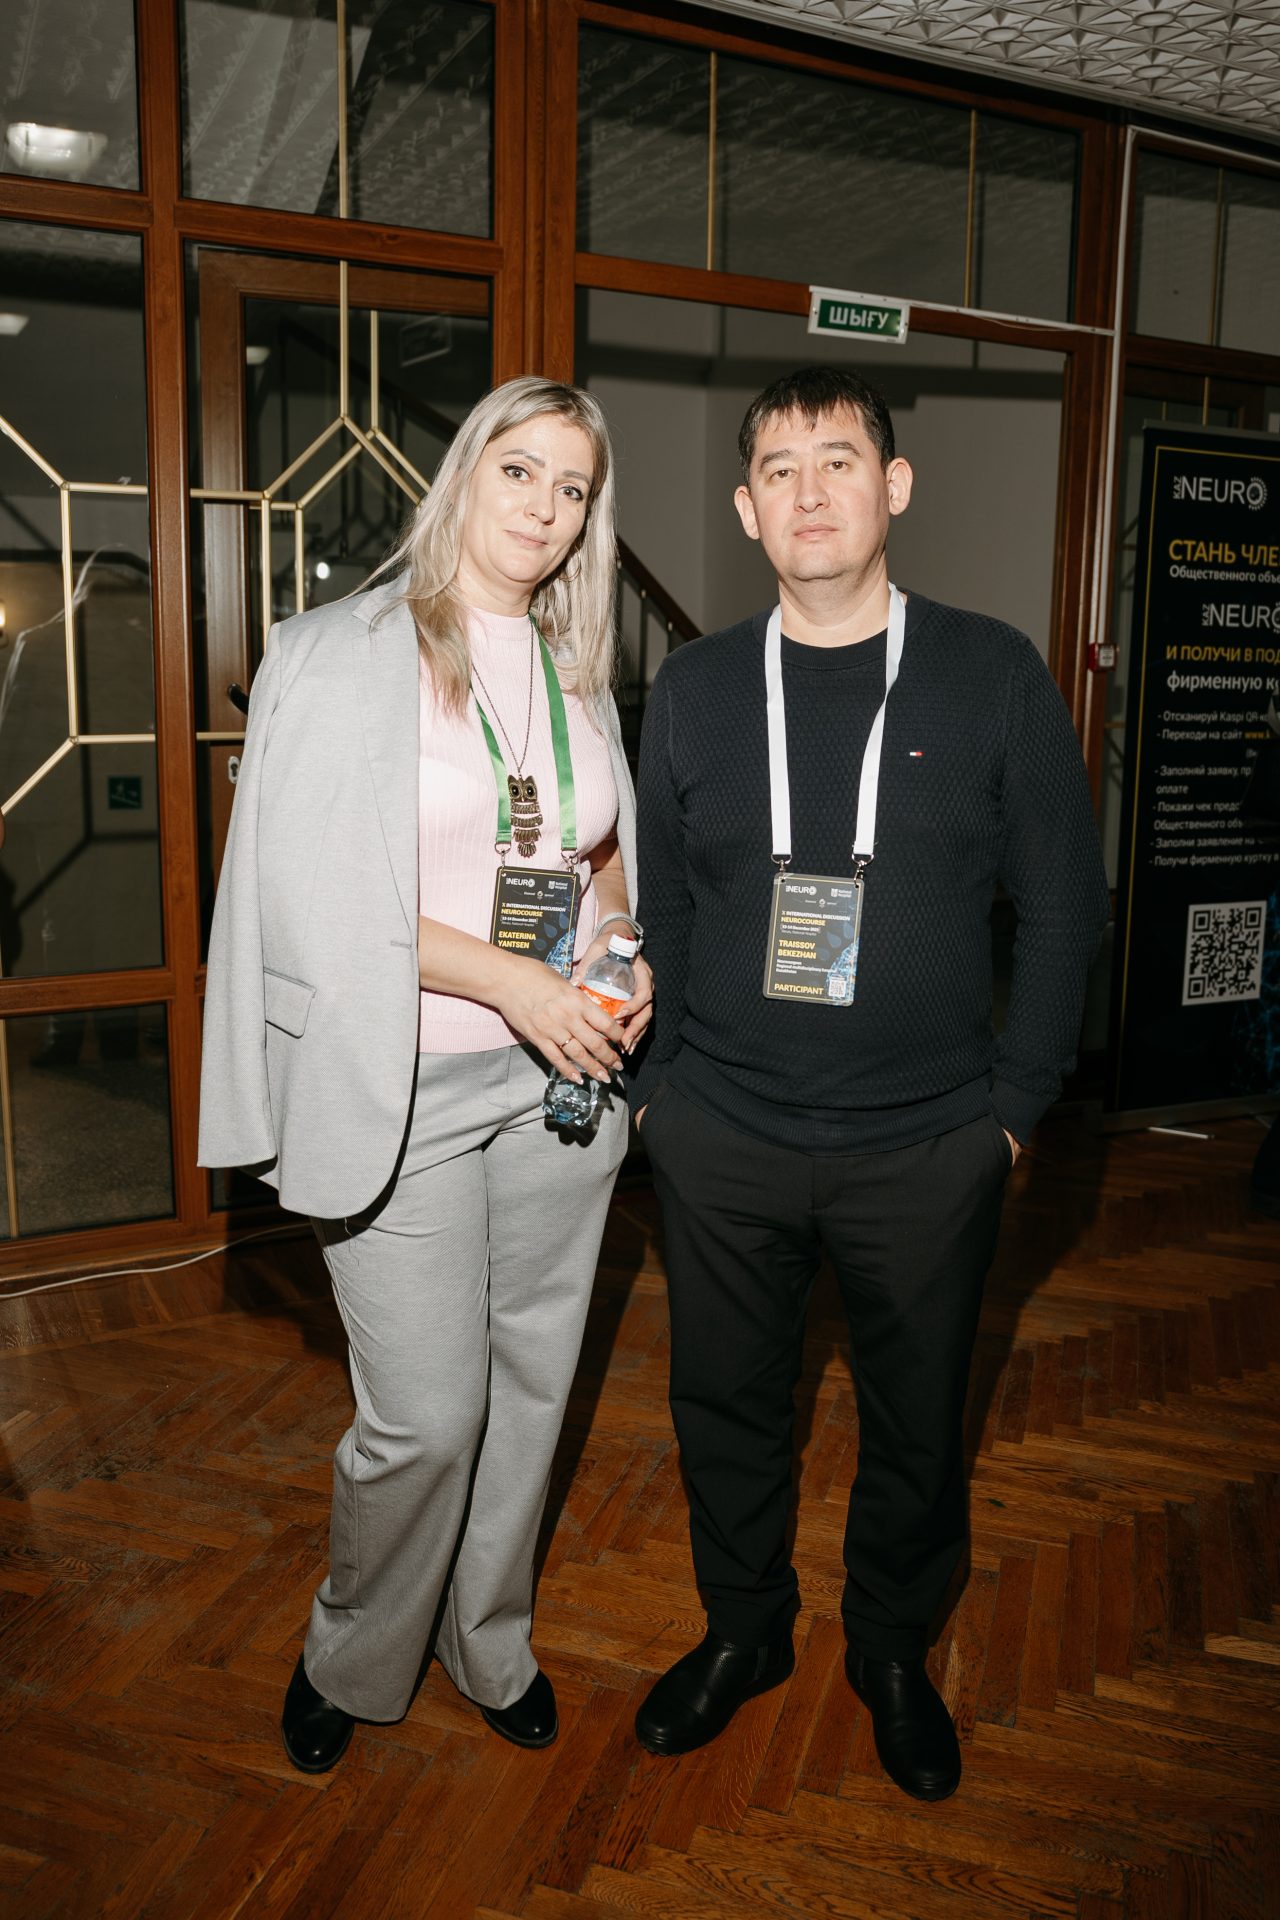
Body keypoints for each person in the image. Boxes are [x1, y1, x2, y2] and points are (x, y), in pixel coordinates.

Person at [626, 365, 1108, 1801]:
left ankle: (892, 1646)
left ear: (893, 486)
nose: (811, 491)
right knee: (723, 1408)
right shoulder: (697, 688)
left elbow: (1067, 907)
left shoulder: (991, 671)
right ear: (746, 508)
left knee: (916, 1420)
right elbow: (665, 909)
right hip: (724, 1135)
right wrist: (657, 1096)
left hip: (928, 1145)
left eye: (839, 460)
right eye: (779, 469)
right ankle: (745, 1629)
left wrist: (1013, 1113)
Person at [199, 376, 651, 1773]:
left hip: (558, 1092)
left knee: (532, 1390)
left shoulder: (575, 668)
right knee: (427, 1416)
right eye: (521, 471)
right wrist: (517, 981)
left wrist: (615, 947)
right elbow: (325, 899)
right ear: (464, 474)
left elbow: (595, 852)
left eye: (573, 489)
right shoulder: (337, 653)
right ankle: (353, 1647)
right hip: (402, 1090)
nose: (546, 508)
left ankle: (490, 1637)